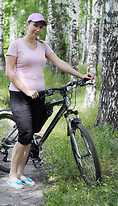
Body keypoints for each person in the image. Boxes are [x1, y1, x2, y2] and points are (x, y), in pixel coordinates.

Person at [6, 13, 93, 189]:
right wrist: (27, 90)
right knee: (24, 135)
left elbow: (59, 62)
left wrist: (80, 75)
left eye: (40, 27)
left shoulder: (43, 46)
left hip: (39, 94)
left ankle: (22, 174)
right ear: (27, 25)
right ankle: (12, 175)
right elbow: (10, 72)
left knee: (30, 136)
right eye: (35, 26)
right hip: (20, 94)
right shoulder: (16, 44)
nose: (37, 30)